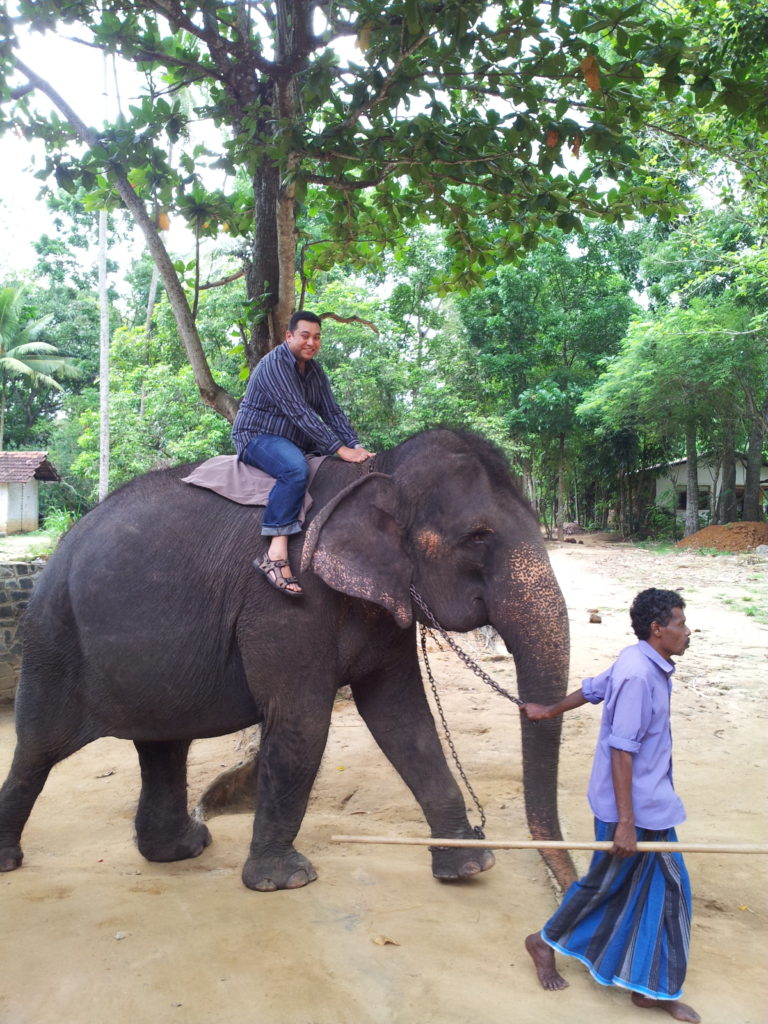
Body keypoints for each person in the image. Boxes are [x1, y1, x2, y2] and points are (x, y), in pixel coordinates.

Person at [521, 588, 700, 1024]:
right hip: (633, 811)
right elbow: (623, 752)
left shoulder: (638, 659)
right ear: (658, 630)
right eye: (679, 623)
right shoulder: (639, 675)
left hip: (649, 804)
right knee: (637, 888)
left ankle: (647, 986)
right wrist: (625, 824)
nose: (687, 631)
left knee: (637, 888)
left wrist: (549, 710)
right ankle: (545, 942)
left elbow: (594, 689)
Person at [231, 311, 374, 596]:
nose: (312, 342)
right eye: (305, 336)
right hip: (258, 436)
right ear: (289, 336)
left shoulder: (315, 371)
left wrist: (355, 445)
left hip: (294, 440)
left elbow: (331, 412)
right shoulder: (274, 365)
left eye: (317, 337)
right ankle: (274, 553)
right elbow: (300, 413)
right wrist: (339, 449)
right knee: (295, 470)